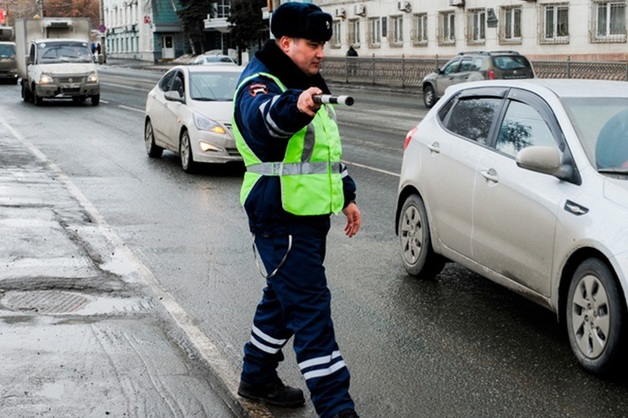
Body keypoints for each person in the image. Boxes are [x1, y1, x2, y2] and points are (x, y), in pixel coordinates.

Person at [232, 3, 361, 418]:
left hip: (308, 215)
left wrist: (347, 196)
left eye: (323, 43)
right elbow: (263, 119)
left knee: (282, 301)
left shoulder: (309, 81)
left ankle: (257, 377)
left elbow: (323, 155)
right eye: (312, 44)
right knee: (311, 313)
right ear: (285, 43)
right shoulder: (260, 82)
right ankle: (338, 409)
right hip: (278, 216)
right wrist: (295, 106)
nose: (320, 51)